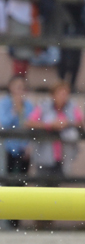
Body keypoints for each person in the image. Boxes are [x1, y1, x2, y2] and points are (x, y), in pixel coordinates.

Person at [27, 80, 83, 177]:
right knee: (42, 184)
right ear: (53, 95)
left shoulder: (72, 107)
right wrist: (49, 125)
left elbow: (81, 123)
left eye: (65, 94)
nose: (63, 97)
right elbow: (30, 123)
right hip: (44, 153)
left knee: (58, 187)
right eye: (60, 93)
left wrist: (67, 123)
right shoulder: (43, 106)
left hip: (63, 155)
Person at [0, 75, 34, 226]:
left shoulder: (29, 106)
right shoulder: (4, 104)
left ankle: (15, 222)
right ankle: (5, 219)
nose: (20, 91)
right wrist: (15, 110)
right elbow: (3, 124)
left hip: (23, 150)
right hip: (7, 149)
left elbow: (32, 126)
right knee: (6, 184)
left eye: (22, 87)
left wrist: (29, 145)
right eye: (17, 87)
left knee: (21, 184)